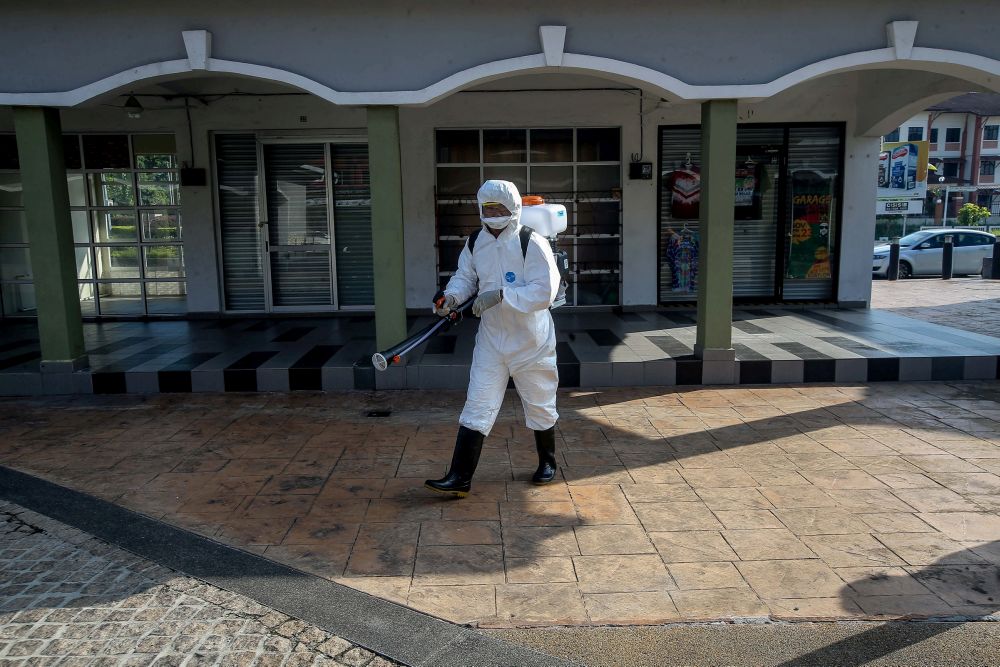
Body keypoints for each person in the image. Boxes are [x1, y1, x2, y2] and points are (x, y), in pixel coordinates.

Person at [425, 180, 561, 498]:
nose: (495, 214)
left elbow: (545, 291)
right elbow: (465, 277)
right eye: (489, 209)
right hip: (492, 340)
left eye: (500, 208)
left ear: (514, 209)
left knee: (539, 402)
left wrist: (501, 295)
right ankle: (459, 477)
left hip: (532, 341)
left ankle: (548, 463)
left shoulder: (532, 242)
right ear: (480, 210)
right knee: (477, 403)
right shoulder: (476, 242)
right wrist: (451, 298)